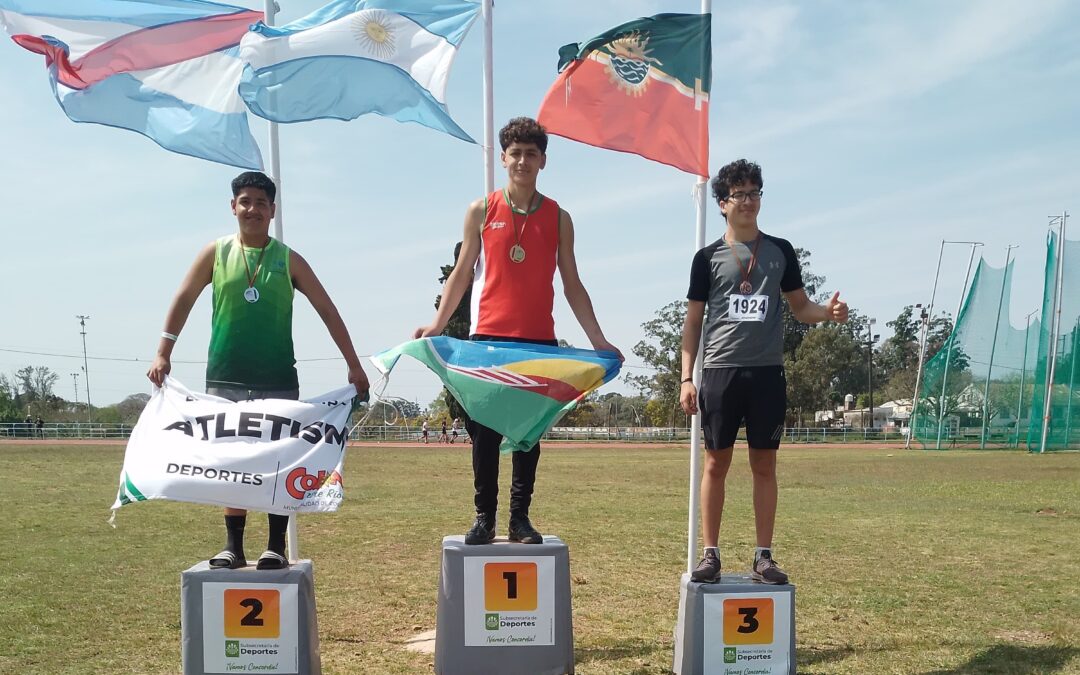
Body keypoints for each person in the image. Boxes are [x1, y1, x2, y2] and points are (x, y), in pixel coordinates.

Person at [414, 117, 622, 545]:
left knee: (528, 433)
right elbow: (461, 274)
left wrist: (598, 340)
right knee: (484, 433)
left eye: (531, 153)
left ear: (543, 161)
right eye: (515, 153)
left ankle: (519, 519)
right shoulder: (481, 210)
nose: (522, 161)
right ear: (503, 158)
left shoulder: (559, 217)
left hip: (538, 343)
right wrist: (436, 323)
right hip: (488, 340)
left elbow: (572, 284)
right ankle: (483, 518)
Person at [147, 171, 369, 571]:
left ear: (272, 211)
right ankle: (233, 546)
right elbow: (183, 298)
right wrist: (164, 351)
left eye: (260, 203)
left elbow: (328, 310)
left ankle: (275, 546)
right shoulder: (214, 253)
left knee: (278, 460)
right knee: (232, 462)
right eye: (245, 201)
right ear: (233, 206)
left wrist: (354, 365)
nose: (252, 209)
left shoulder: (289, 259)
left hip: (277, 378)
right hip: (225, 376)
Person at [680, 159, 848, 584]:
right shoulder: (707, 258)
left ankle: (764, 555)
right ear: (722, 203)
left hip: (767, 374)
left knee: (764, 465)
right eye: (740, 194)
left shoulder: (780, 251)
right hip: (720, 371)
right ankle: (710, 554)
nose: (749, 201)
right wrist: (687, 377)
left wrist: (827, 314)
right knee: (715, 464)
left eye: (755, 193)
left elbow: (800, 307)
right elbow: (693, 322)